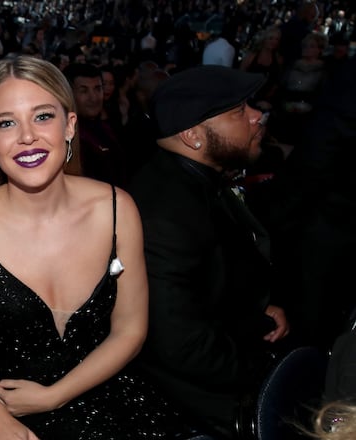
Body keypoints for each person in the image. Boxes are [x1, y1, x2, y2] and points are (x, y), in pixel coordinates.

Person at [0, 55, 193, 440]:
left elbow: (129, 330)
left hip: (111, 404)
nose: (27, 136)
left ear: (70, 126)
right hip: (4, 415)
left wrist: (54, 396)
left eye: (43, 116)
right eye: (7, 123)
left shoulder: (116, 209)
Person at [127, 65, 291, 439]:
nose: (257, 116)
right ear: (193, 136)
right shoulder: (163, 214)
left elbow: (216, 278)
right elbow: (180, 345)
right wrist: (262, 367)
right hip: (203, 407)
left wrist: (258, 310)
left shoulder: (196, 177)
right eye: (238, 111)